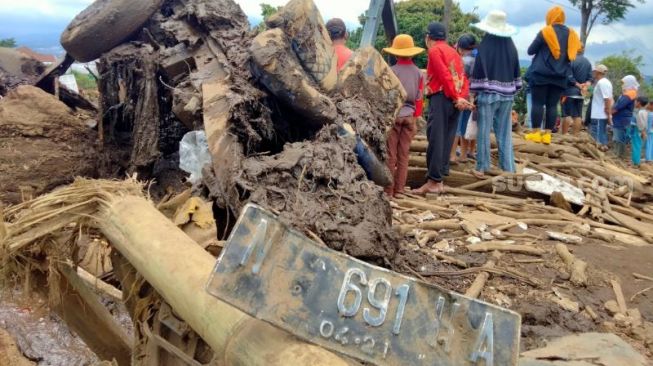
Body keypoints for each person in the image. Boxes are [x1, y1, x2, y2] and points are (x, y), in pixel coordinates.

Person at [413, 22, 472, 195]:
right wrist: (461, 97)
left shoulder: (434, 51)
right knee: (447, 137)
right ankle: (439, 178)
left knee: (436, 137)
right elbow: (464, 78)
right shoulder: (454, 52)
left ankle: (433, 181)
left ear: (428, 38)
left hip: (441, 97)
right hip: (455, 101)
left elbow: (444, 75)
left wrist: (455, 96)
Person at [469, 10, 521, 178]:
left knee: (484, 131)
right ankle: (508, 168)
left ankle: (482, 167)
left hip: (488, 94)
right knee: (504, 132)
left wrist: (474, 93)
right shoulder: (511, 46)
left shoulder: (485, 45)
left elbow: (477, 70)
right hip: (507, 95)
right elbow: (516, 70)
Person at [525, 6, 582, 144]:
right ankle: (547, 135)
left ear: (550, 17)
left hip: (541, 75)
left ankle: (536, 133)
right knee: (552, 105)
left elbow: (530, 51)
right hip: (560, 76)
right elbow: (572, 55)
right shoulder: (572, 34)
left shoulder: (546, 31)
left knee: (538, 103)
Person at [382, 34, 425, 197]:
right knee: (404, 155)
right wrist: (415, 117)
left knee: (391, 154)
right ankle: (400, 190)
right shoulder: (418, 73)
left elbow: (387, 97)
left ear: (395, 53)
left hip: (395, 117)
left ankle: (388, 190)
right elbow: (420, 98)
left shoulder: (392, 71)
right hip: (410, 117)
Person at [450, 34, 478, 164]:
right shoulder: (477, 57)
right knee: (466, 126)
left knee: (456, 125)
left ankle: (452, 155)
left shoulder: (462, 59)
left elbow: (458, 77)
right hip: (472, 95)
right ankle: (463, 155)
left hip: (461, 94)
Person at [562, 47, 593, 134]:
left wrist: (578, 85)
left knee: (566, 115)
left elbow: (569, 77)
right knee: (578, 116)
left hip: (568, 92)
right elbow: (590, 79)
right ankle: (575, 136)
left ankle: (564, 136)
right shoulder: (587, 62)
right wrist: (585, 86)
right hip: (581, 94)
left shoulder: (570, 60)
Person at [611, 75, 638, 159]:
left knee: (618, 137)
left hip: (621, 119)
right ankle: (620, 155)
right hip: (623, 119)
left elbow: (618, 106)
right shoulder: (630, 92)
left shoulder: (629, 94)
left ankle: (618, 155)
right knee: (621, 137)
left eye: (624, 82)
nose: (622, 84)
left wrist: (609, 112)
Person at [589, 64, 613, 148]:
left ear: (597, 72)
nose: (593, 73)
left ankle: (600, 151)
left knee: (598, 136)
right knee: (602, 133)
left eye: (594, 71)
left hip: (599, 114)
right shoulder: (604, 82)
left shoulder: (602, 83)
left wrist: (607, 110)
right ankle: (602, 149)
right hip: (599, 113)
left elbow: (607, 99)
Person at [632, 96, 649, 166]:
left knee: (636, 146)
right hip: (642, 131)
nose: (634, 103)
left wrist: (643, 132)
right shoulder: (645, 111)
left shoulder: (640, 113)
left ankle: (636, 162)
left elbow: (641, 123)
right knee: (638, 145)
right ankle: (637, 160)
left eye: (635, 102)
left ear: (638, 103)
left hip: (638, 131)